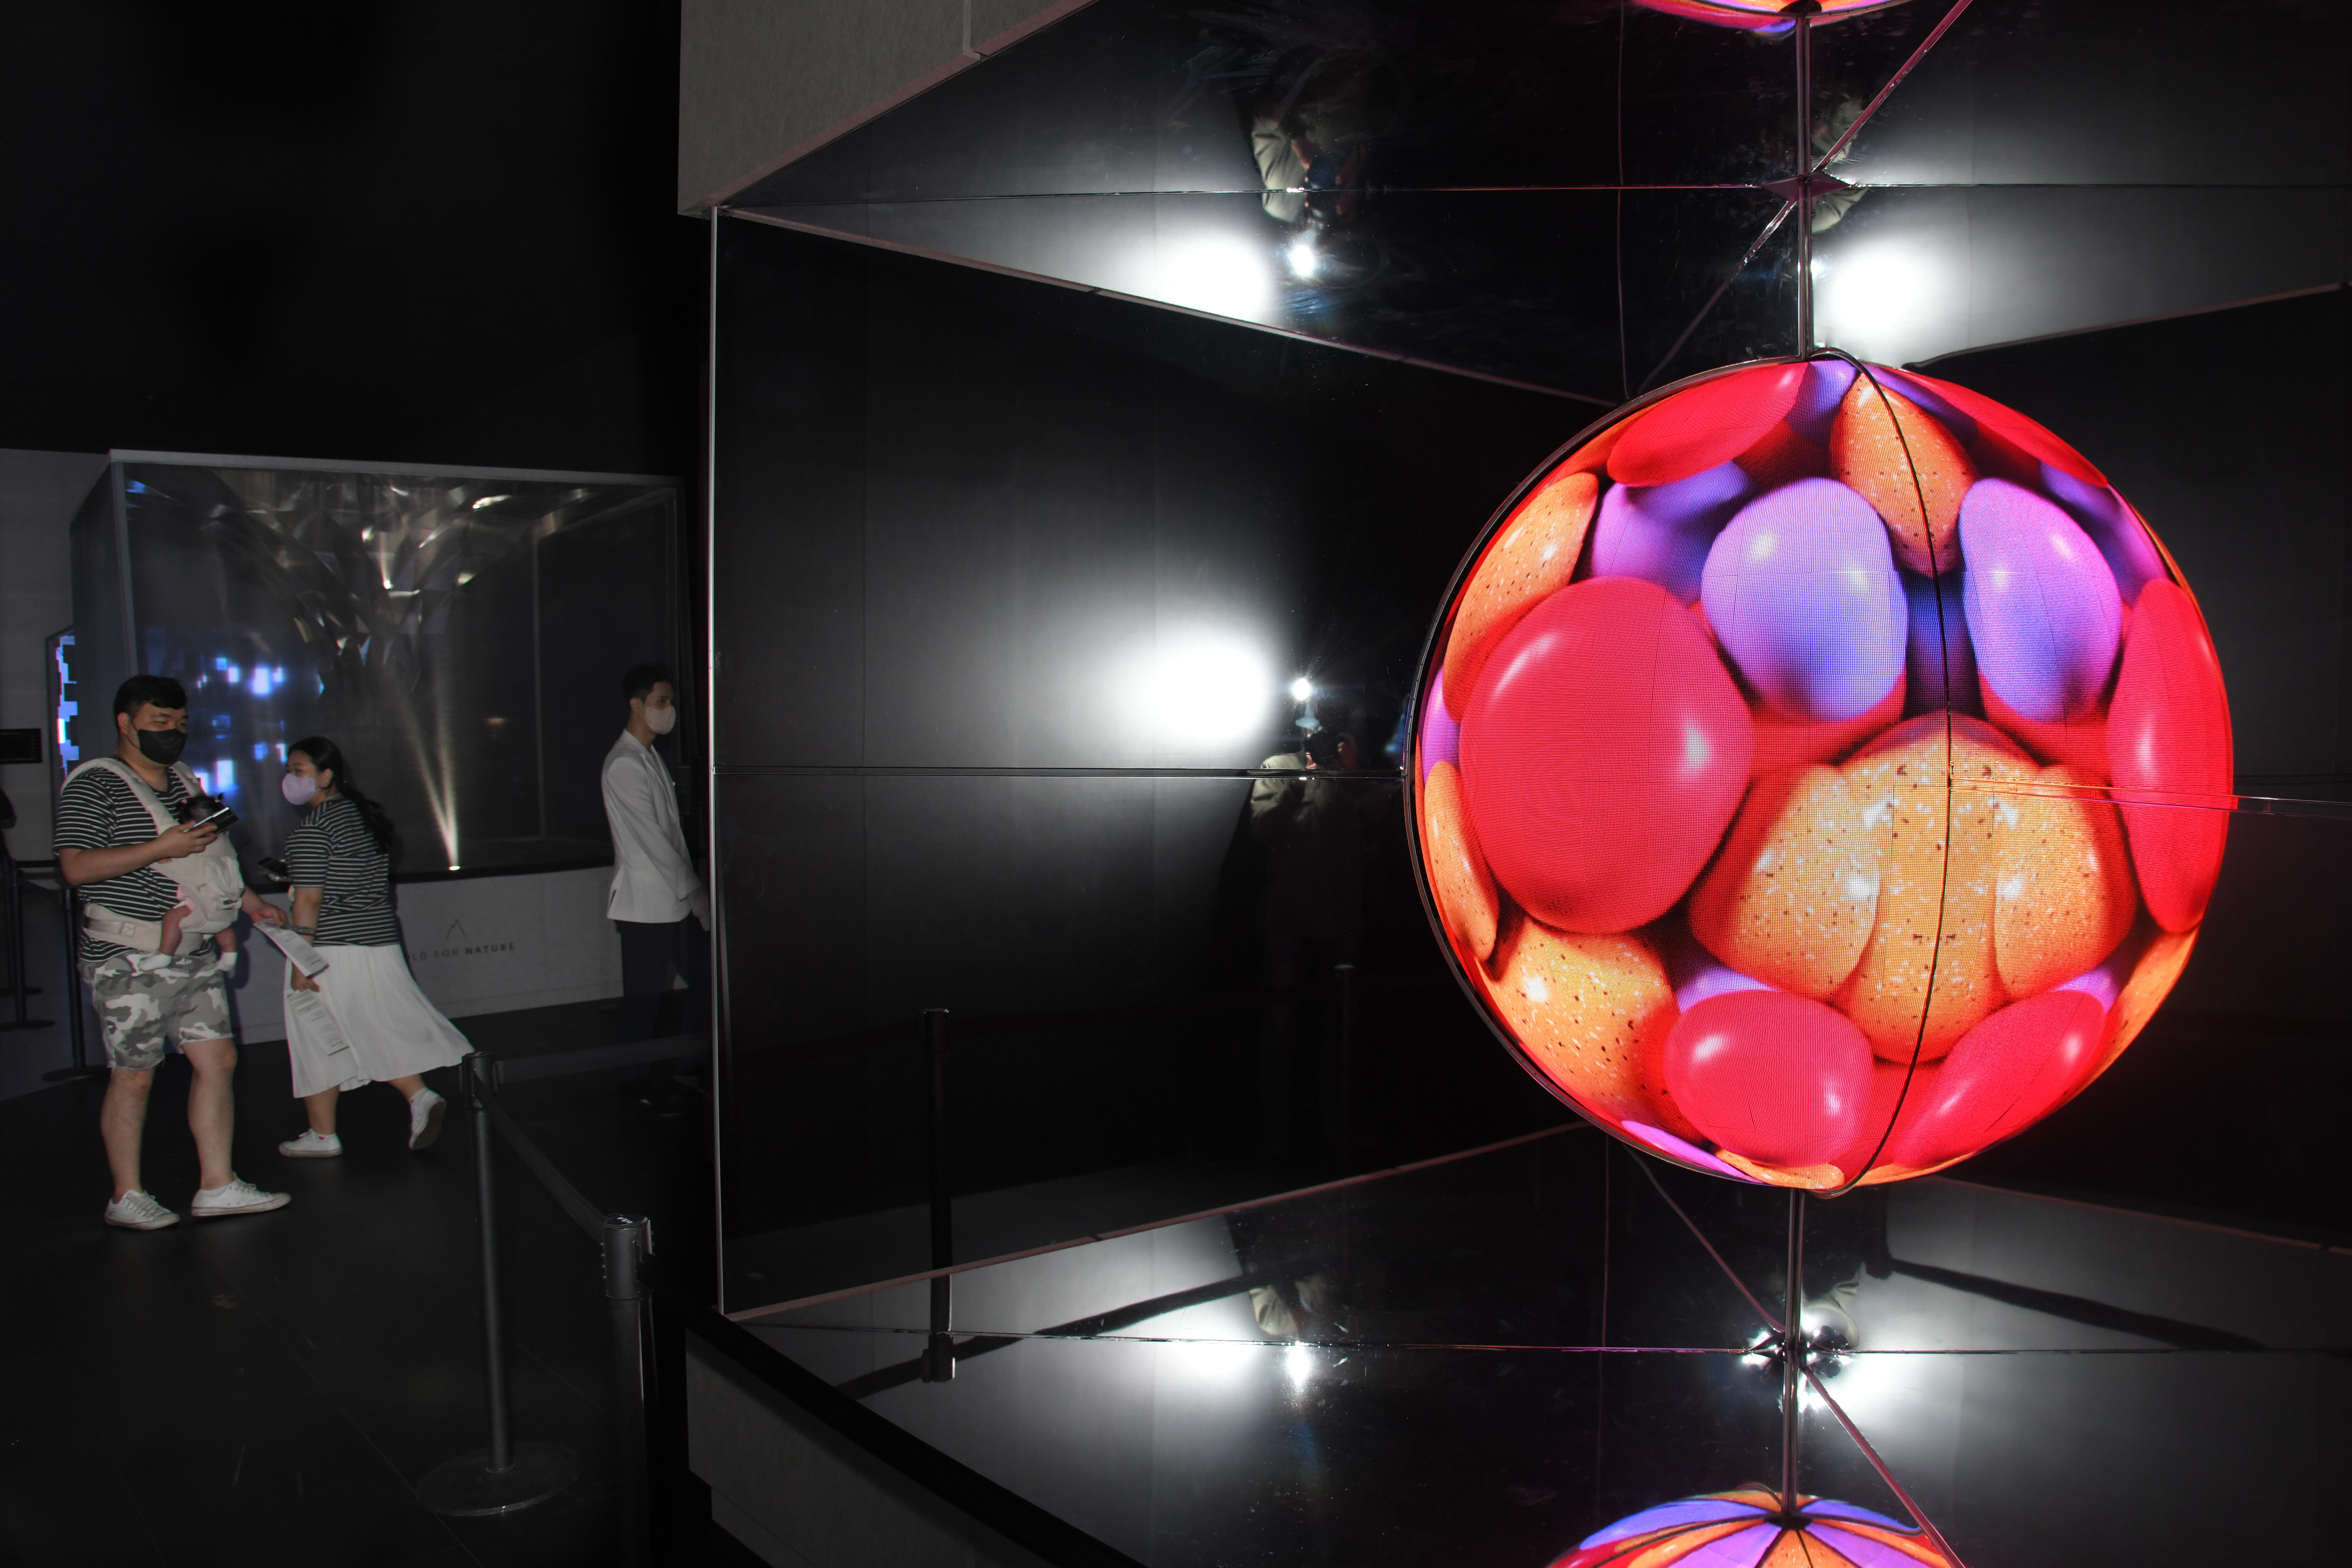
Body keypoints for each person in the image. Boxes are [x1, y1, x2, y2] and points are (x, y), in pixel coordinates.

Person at [56, 674, 291, 1230]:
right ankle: (126, 1193)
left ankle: (218, 1183)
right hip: (128, 952)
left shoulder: (184, 779)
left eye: (180, 723)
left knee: (218, 1060)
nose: (173, 732)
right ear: (126, 723)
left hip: (194, 949)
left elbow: (211, 859)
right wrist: (158, 847)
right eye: (160, 722)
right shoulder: (93, 784)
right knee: (135, 1073)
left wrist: (251, 903)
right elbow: (76, 868)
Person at [271, 736, 473, 1158]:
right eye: (289, 770)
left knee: (317, 1034)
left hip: (330, 947)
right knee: (372, 1025)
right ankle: (415, 1098)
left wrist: (300, 961)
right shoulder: (363, 818)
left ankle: (325, 1134)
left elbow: (309, 900)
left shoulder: (312, 829)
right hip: (379, 941)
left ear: (326, 775)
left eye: (299, 770)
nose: (290, 778)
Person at [601, 664, 710, 1110]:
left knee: (707, 983)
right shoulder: (624, 765)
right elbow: (655, 844)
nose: (669, 710)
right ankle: (634, 1086)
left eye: (670, 702)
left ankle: (686, 1068)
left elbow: (673, 838)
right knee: (643, 1002)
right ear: (636, 704)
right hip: (645, 908)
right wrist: (698, 893)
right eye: (661, 701)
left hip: (673, 904)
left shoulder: (648, 758)